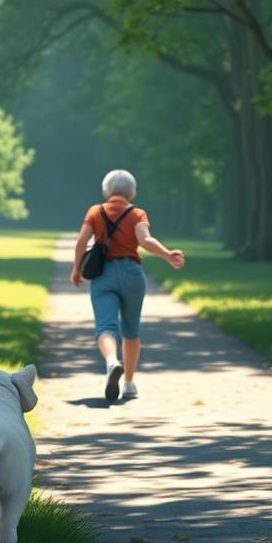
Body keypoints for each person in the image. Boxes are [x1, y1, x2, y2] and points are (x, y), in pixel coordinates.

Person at [70, 169, 184, 402]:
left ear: (106, 190)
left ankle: (112, 361)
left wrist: (76, 269)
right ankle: (129, 383)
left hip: (103, 275)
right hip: (132, 274)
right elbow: (145, 240)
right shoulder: (137, 213)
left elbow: (82, 241)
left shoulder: (95, 211)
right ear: (131, 192)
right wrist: (167, 254)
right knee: (131, 331)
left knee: (106, 328)